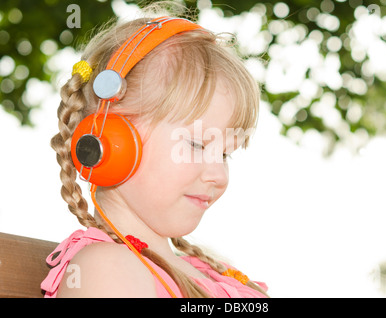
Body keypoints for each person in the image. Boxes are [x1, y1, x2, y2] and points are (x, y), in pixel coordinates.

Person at [41, 3, 268, 298]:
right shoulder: (107, 271)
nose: (220, 176)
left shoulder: (211, 271)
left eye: (225, 154)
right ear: (110, 139)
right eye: (197, 144)